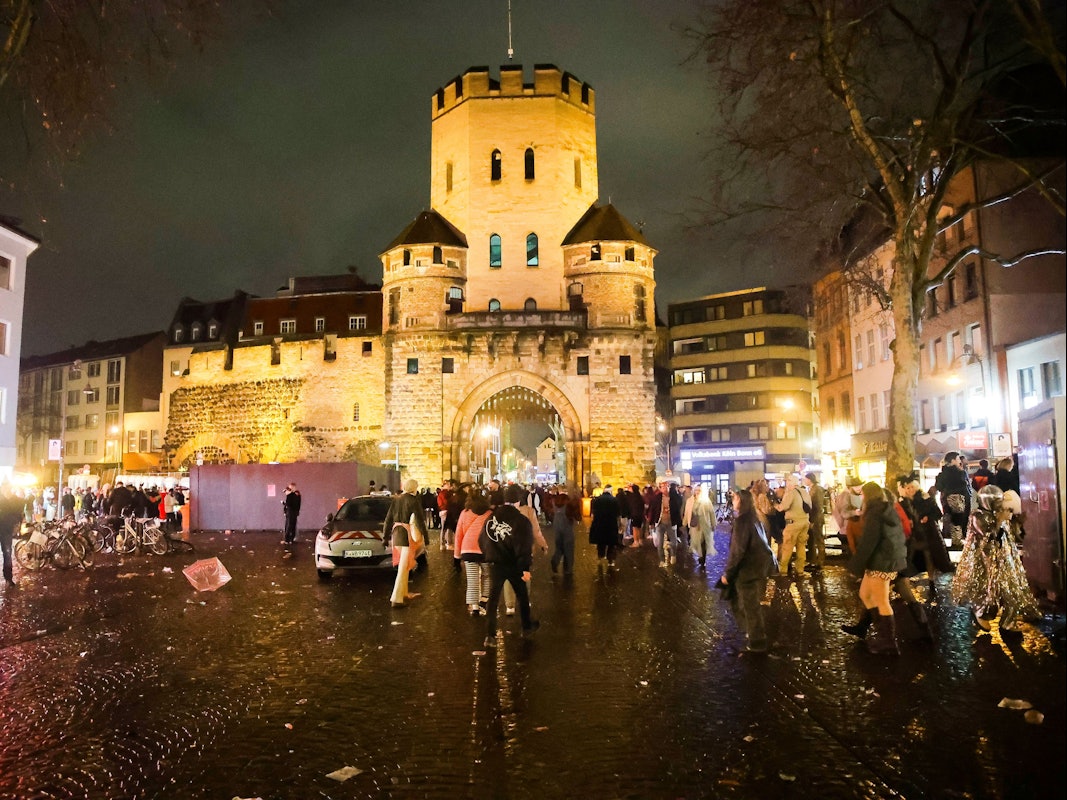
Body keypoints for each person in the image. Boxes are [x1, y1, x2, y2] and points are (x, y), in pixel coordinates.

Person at [952, 485, 1040, 633]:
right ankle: (981, 614)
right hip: (986, 563)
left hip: (1004, 561)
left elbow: (1008, 536)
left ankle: (1008, 622)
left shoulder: (998, 514)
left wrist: (1015, 523)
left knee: (1010, 592)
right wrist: (999, 521)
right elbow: (991, 536)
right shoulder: (978, 515)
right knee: (989, 592)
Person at [841, 482, 907, 655]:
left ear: (868, 496)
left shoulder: (875, 513)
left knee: (882, 600)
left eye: (863, 494)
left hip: (882, 562)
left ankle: (888, 642)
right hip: (882, 560)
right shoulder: (884, 509)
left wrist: (856, 565)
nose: (861, 497)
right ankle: (875, 631)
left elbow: (869, 542)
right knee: (865, 594)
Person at [717, 489, 776, 653]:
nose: (733, 501)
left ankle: (757, 639)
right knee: (744, 601)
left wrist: (727, 574)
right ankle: (752, 632)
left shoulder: (743, 521)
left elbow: (738, 551)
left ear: (742, 502)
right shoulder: (755, 518)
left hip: (748, 569)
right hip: (756, 567)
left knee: (747, 604)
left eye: (735, 498)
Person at [479, 494, 539, 647]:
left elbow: (482, 540)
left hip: (495, 564)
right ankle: (526, 627)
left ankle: (490, 635)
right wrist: (525, 567)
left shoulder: (490, 519)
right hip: (514, 564)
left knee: (493, 600)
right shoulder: (521, 521)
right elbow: (524, 546)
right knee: (522, 596)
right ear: (517, 502)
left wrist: (489, 555)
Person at [503, 484, 548, 614]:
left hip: (507, 548)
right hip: (525, 549)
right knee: (524, 573)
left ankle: (510, 605)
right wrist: (543, 544)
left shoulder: (502, 511)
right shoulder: (528, 511)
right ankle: (524, 601)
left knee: (508, 576)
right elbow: (536, 531)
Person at [383, 478, 428, 608]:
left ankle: (404, 593)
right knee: (403, 568)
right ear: (414, 488)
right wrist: (426, 536)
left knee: (405, 565)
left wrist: (385, 537)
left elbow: (388, 519)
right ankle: (396, 598)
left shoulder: (396, 499)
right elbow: (419, 520)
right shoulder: (413, 501)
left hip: (396, 533)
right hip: (406, 534)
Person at [454, 489, 492, 615]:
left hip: (468, 548)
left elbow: (459, 534)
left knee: (472, 578)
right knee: (487, 575)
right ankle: (485, 599)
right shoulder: (489, 513)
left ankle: (474, 606)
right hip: (485, 549)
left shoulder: (464, 513)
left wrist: (457, 555)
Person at [775, 473, 811, 577]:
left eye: (787, 482)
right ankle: (800, 570)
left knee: (787, 547)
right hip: (805, 522)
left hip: (793, 524)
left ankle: (783, 571)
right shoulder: (805, 492)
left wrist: (775, 505)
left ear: (791, 482)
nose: (786, 484)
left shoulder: (791, 493)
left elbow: (783, 507)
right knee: (801, 546)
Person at [935, 451, 971, 548]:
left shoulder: (942, 474)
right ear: (953, 460)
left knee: (952, 519)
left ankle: (954, 539)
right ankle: (957, 541)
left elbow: (939, 486)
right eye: (958, 459)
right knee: (958, 520)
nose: (960, 461)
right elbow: (965, 486)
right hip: (959, 498)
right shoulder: (960, 473)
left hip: (947, 498)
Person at [648, 481, 682, 567]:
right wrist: (651, 522)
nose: (665, 489)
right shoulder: (657, 498)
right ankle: (662, 560)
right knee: (660, 543)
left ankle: (673, 555)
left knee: (674, 542)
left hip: (671, 522)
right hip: (660, 523)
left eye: (666, 487)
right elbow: (653, 510)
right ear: (660, 488)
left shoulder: (673, 497)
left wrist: (679, 522)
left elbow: (678, 508)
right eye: (662, 487)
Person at [588, 483, 622, 568]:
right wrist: (619, 524)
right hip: (611, 524)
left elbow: (593, 512)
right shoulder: (614, 500)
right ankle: (610, 560)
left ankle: (600, 557)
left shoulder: (598, 499)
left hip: (600, 523)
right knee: (611, 542)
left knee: (601, 542)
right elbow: (618, 514)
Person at [550, 488, 582, 576]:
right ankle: (568, 569)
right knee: (569, 549)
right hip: (567, 528)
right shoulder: (568, 506)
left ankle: (555, 561)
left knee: (559, 547)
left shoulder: (555, 504)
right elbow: (577, 516)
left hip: (557, 527)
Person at [683, 484, 716, 569]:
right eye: (696, 490)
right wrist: (684, 523)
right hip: (695, 525)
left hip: (705, 525)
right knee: (696, 542)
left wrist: (713, 524)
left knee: (703, 543)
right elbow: (687, 512)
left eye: (699, 490)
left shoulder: (706, 501)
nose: (697, 492)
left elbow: (712, 513)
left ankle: (703, 559)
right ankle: (700, 556)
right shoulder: (690, 500)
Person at [832, 475, 863, 554]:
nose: (859, 488)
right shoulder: (845, 495)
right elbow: (844, 513)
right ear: (850, 487)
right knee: (849, 553)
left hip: (850, 529)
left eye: (860, 485)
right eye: (856, 486)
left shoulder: (854, 495)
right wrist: (855, 512)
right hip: (845, 529)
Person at [0, 483, 23, 587]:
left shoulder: (15, 500)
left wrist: (16, 524)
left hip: (7, 530)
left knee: (7, 554)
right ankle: (8, 578)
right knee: (7, 554)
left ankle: (8, 578)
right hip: (6, 529)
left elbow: (18, 514)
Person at [803, 472, 826, 571]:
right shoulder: (813, 489)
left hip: (816, 519)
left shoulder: (817, 489)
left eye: (805, 479)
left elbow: (817, 506)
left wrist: (812, 520)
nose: (804, 481)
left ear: (809, 479)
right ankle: (814, 561)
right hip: (814, 518)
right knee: (813, 540)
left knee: (818, 540)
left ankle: (820, 562)